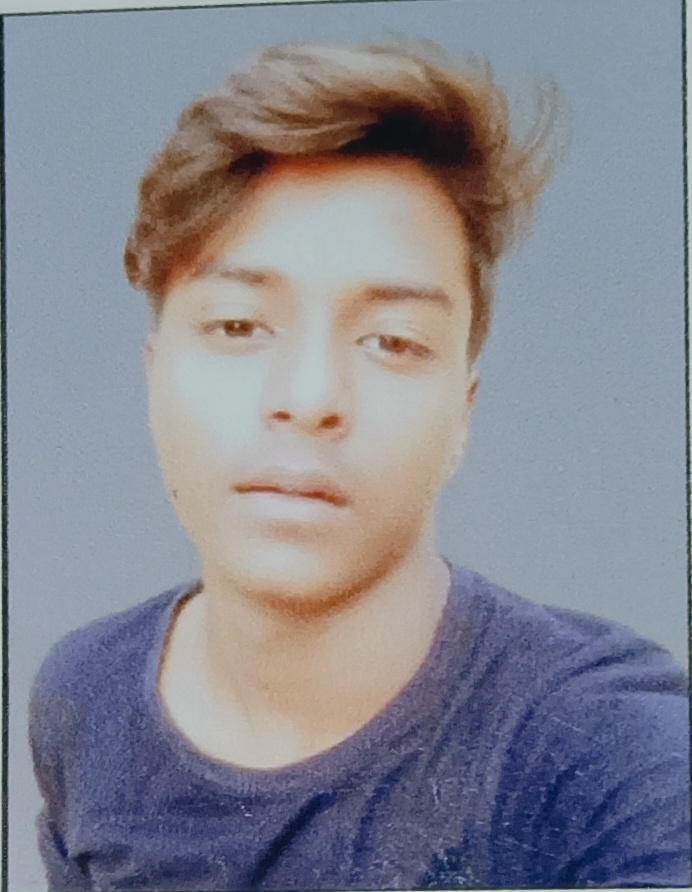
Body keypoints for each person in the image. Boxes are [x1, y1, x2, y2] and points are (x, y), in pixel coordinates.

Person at [29, 40, 689, 891]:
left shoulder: (605, 752)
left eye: (393, 341)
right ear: (155, 375)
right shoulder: (85, 698)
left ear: (464, 411)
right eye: (239, 326)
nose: (309, 398)